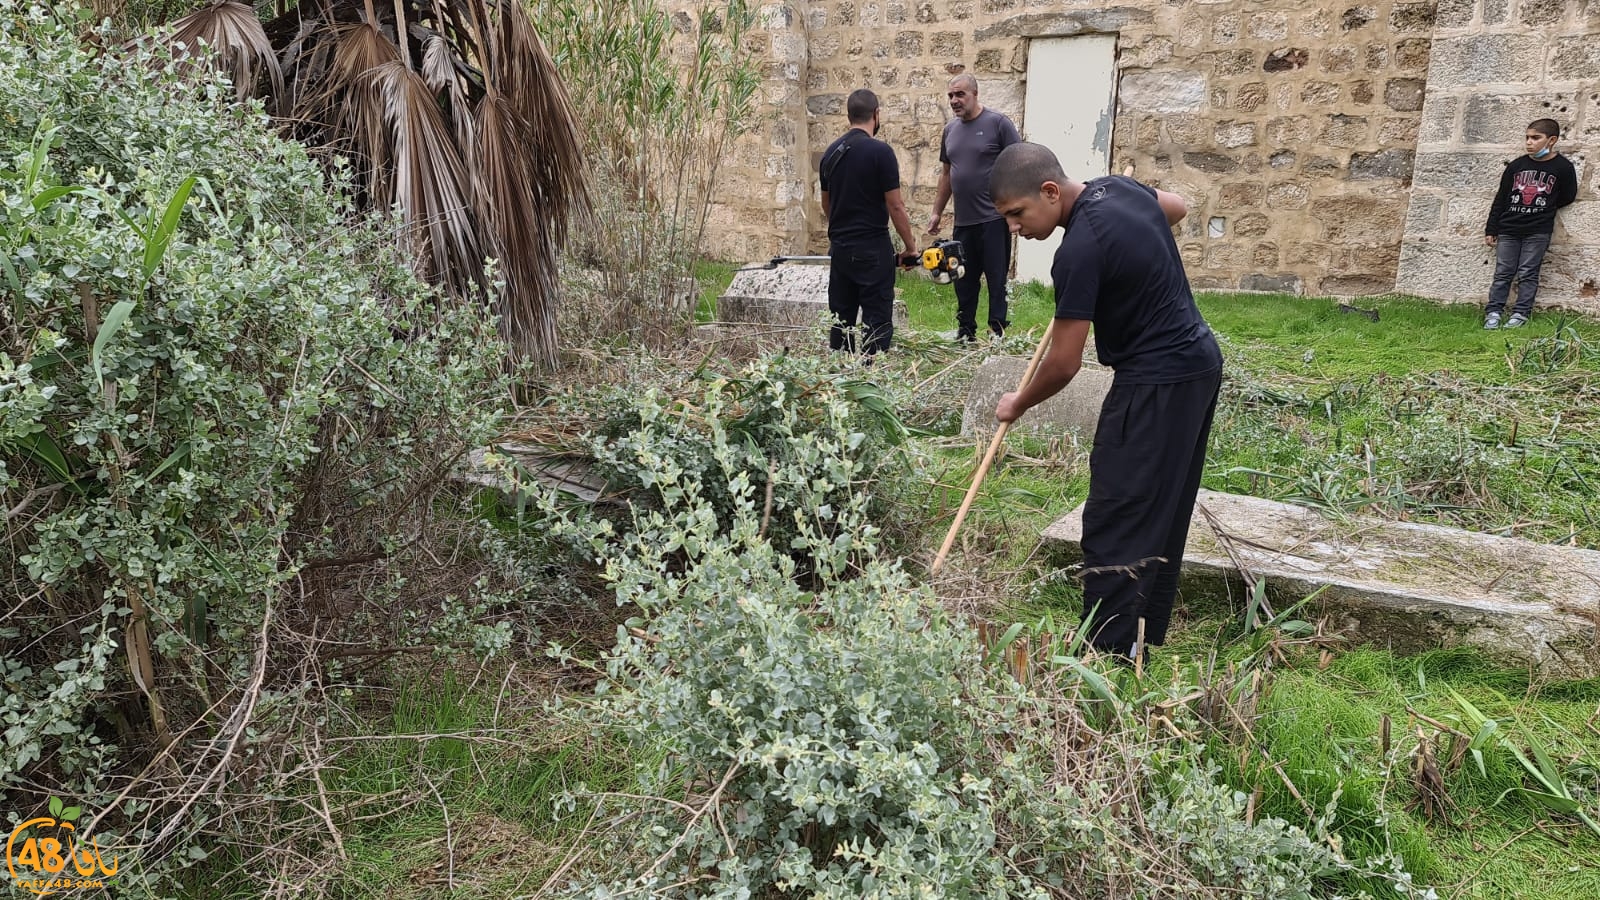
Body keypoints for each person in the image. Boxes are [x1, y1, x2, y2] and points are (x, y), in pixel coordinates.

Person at [990, 142, 1222, 664]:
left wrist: (1018, 402)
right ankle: (1135, 639)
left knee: (1116, 511)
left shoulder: (1077, 252)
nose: (1014, 228)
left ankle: (1107, 653)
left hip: (1156, 381)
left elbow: (1065, 363)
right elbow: (1177, 207)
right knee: (1160, 505)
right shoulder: (1116, 188)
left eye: (1017, 213)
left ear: (1050, 192)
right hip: (1199, 363)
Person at [818, 88, 920, 355]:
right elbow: (895, 206)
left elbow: (826, 203)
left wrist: (840, 229)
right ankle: (870, 377)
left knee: (841, 320)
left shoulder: (830, 154)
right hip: (873, 248)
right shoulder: (881, 152)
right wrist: (910, 248)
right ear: (876, 115)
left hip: (840, 248)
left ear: (848, 115)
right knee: (876, 321)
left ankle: (841, 375)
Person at [928, 74, 1021, 343]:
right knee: (963, 279)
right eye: (951, 96)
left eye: (960, 94)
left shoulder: (998, 124)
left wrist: (1015, 211)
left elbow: (1019, 164)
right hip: (964, 221)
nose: (954, 100)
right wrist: (936, 211)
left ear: (975, 94)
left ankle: (997, 331)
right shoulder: (950, 131)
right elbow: (947, 175)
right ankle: (965, 331)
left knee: (996, 279)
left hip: (993, 219)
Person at [1482, 118, 1578, 329]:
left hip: (1538, 231)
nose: (1529, 142)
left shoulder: (1563, 167)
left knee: (1528, 272)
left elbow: (1568, 195)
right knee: (1503, 272)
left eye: (1536, 138)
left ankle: (1521, 313)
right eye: (1527, 137)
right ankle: (1494, 311)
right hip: (1509, 229)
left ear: (1551, 140)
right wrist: (1492, 227)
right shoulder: (1517, 166)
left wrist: (1546, 207)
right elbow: (1502, 197)